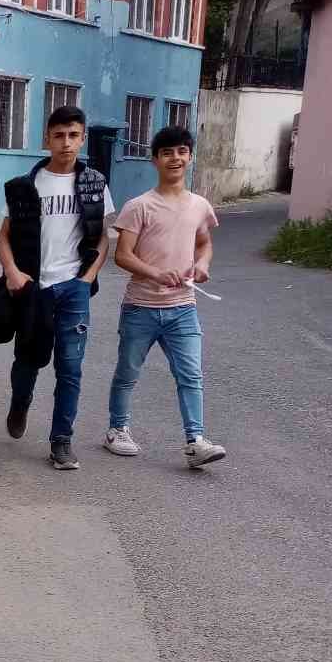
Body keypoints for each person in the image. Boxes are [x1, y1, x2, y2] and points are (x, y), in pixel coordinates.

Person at [0, 105, 114, 470]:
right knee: (27, 360)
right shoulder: (24, 186)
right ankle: (21, 400)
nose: (66, 143)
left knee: (70, 368)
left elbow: (103, 236)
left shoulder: (94, 183)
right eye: (59, 135)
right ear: (47, 139)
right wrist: (13, 273)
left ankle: (61, 441)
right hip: (34, 288)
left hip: (73, 288)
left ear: (83, 138)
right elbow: (4, 237)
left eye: (73, 135)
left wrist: (88, 278)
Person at [106, 125, 227, 469]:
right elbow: (123, 256)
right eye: (167, 153)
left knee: (190, 375)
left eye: (182, 152)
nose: (175, 158)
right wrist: (157, 273)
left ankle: (196, 441)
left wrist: (202, 264)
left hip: (183, 309)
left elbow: (204, 242)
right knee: (127, 372)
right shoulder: (139, 206)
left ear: (189, 157)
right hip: (140, 307)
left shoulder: (199, 205)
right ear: (155, 160)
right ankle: (117, 429)